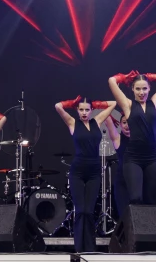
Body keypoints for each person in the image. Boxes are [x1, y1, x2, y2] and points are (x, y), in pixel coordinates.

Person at [54, 95, 116, 252]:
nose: (84, 113)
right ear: (77, 110)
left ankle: (90, 248)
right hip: (78, 172)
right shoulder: (72, 122)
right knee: (80, 210)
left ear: (91, 110)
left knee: (89, 211)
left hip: (94, 171)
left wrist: (97, 103)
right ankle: (79, 248)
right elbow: (57, 106)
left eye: (87, 110)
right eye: (81, 109)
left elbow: (114, 103)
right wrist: (71, 102)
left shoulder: (97, 121)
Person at [108, 69, 156, 205]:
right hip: (133, 158)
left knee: (150, 199)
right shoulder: (128, 105)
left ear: (149, 88)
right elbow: (112, 81)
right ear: (132, 89)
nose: (141, 92)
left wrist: (148, 76)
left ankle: (150, 221)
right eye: (138, 89)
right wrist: (127, 77)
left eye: (144, 88)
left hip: (153, 158)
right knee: (135, 198)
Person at [104, 112, 131, 219]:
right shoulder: (117, 139)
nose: (127, 125)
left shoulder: (141, 139)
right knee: (124, 216)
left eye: (130, 122)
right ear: (120, 124)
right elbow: (106, 118)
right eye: (124, 122)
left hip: (138, 182)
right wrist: (111, 116)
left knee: (140, 214)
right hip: (122, 183)